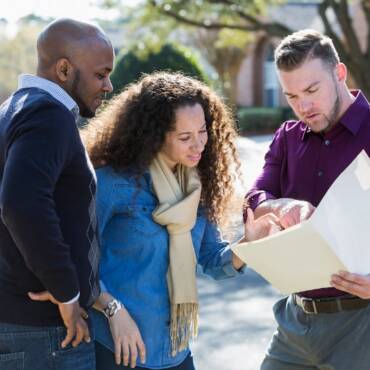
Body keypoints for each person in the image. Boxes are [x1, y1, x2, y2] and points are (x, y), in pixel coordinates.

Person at [81, 71, 279, 370]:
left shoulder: (196, 186)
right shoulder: (113, 185)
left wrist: (248, 244)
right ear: (154, 136)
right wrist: (113, 310)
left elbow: (213, 260)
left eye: (202, 132)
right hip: (118, 349)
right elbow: (78, 261)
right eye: (185, 137)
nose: (199, 145)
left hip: (175, 350)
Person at [244, 29, 370, 370]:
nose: (304, 106)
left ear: (339, 73)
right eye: (292, 96)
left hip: (362, 327)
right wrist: (284, 205)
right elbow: (255, 197)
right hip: (295, 323)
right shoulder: (287, 138)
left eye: (312, 90)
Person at [0, 18, 114, 370]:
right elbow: (21, 203)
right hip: (47, 334)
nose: (109, 85)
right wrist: (66, 292)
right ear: (64, 69)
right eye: (101, 74)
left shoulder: (13, 109)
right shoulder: (48, 114)